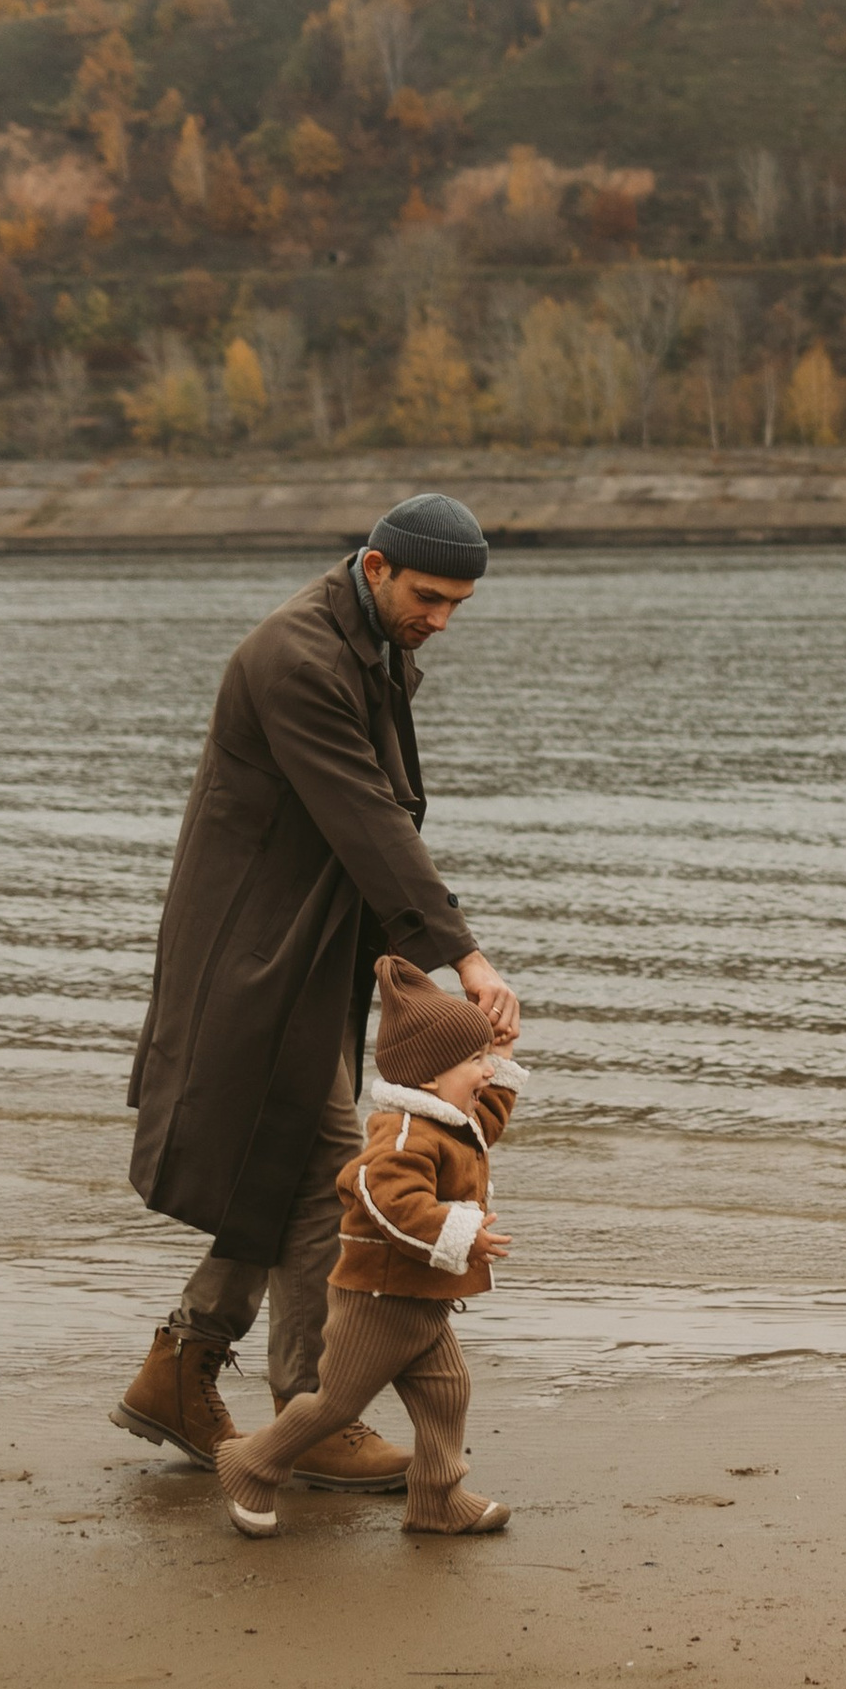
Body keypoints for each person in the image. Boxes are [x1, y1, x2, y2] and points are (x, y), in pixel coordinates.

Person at [112, 492, 521, 1491]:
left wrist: (409, 953)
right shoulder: (297, 657)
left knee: (284, 1158)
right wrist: (460, 954)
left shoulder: (370, 644)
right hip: (252, 949)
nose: (442, 619)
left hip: (310, 942)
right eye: (429, 597)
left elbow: (376, 819)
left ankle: (183, 1367)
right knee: (334, 1167)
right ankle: (309, 1406)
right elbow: (367, 817)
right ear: (373, 567)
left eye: (460, 605)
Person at [215, 953, 518, 1539]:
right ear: (429, 1078)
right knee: (333, 1405)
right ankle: (250, 1463)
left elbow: (489, 1118)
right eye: (474, 1062)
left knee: (446, 1393)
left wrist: (500, 1056)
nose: (485, 1075)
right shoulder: (402, 1135)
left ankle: (436, 1499)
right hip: (378, 1299)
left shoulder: (452, 1119)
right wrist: (459, 1231)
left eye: (486, 1060)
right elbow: (386, 1201)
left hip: (419, 1297)